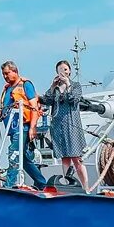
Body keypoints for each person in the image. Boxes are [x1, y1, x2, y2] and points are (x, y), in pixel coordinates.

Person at [0, 61, 46, 191]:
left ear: (15, 71)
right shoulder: (7, 89)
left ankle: (9, 185)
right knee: (23, 157)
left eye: (7, 73)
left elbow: (33, 106)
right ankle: (41, 183)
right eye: (3, 74)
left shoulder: (26, 85)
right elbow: (6, 108)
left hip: (23, 126)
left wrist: (33, 127)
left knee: (14, 153)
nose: (5, 76)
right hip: (12, 128)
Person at [39, 61, 90, 190]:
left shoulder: (76, 85)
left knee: (77, 158)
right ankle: (66, 185)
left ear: (70, 71)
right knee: (65, 157)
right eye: (60, 70)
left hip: (72, 124)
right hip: (58, 125)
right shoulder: (55, 88)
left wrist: (67, 85)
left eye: (66, 69)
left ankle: (86, 187)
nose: (63, 72)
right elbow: (46, 100)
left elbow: (74, 99)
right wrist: (52, 86)